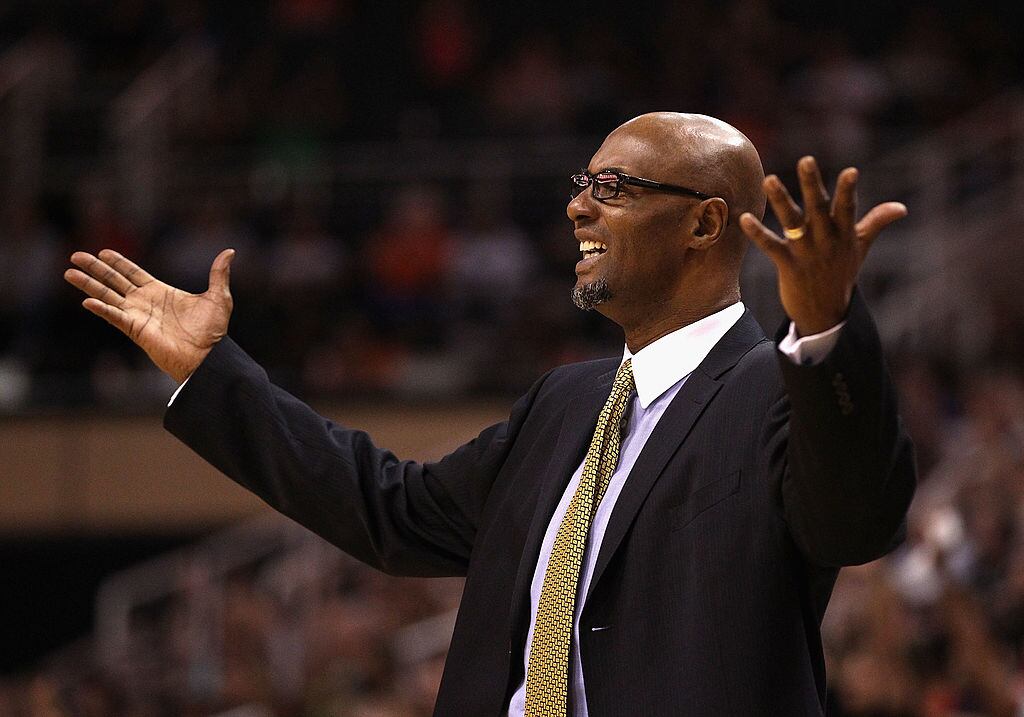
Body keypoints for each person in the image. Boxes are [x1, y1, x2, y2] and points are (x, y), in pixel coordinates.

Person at [64, 112, 916, 716]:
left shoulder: (779, 388)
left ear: (704, 222)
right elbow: (389, 509)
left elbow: (856, 519)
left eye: (612, 187)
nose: (578, 206)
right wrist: (214, 373)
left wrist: (826, 327)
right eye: (582, 184)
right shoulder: (563, 403)